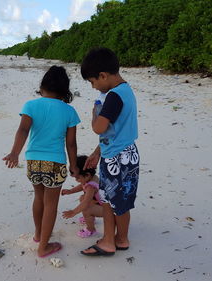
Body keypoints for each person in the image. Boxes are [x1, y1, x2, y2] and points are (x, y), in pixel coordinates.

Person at [3, 65, 80, 258]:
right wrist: (74, 166)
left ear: (43, 86)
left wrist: (14, 153)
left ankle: (38, 235)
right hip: (55, 163)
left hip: (33, 161)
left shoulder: (31, 105)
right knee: (51, 204)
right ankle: (44, 246)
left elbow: (23, 131)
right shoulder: (69, 111)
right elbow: (71, 144)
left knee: (38, 197)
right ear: (64, 90)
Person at [79, 47, 140, 256]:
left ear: (103, 75)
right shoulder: (126, 90)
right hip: (127, 152)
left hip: (116, 158)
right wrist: (97, 151)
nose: (94, 87)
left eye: (93, 82)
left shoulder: (113, 97)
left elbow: (99, 128)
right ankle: (121, 239)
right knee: (122, 201)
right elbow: (117, 130)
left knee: (107, 200)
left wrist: (94, 114)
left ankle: (107, 241)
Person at [61, 155, 103, 238]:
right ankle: (90, 219)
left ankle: (91, 229)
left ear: (87, 175)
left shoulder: (91, 187)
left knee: (86, 209)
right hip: (102, 204)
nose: (76, 180)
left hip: (106, 210)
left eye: (77, 178)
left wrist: (73, 212)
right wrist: (70, 191)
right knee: (82, 198)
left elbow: (86, 202)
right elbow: (82, 186)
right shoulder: (92, 178)